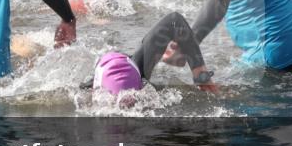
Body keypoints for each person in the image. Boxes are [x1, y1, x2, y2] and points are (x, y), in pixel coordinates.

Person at [85, 12, 216, 97]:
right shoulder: (139, 65)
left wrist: (201, 76)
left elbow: (174, 21)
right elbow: (174, 20)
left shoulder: (138, 67)